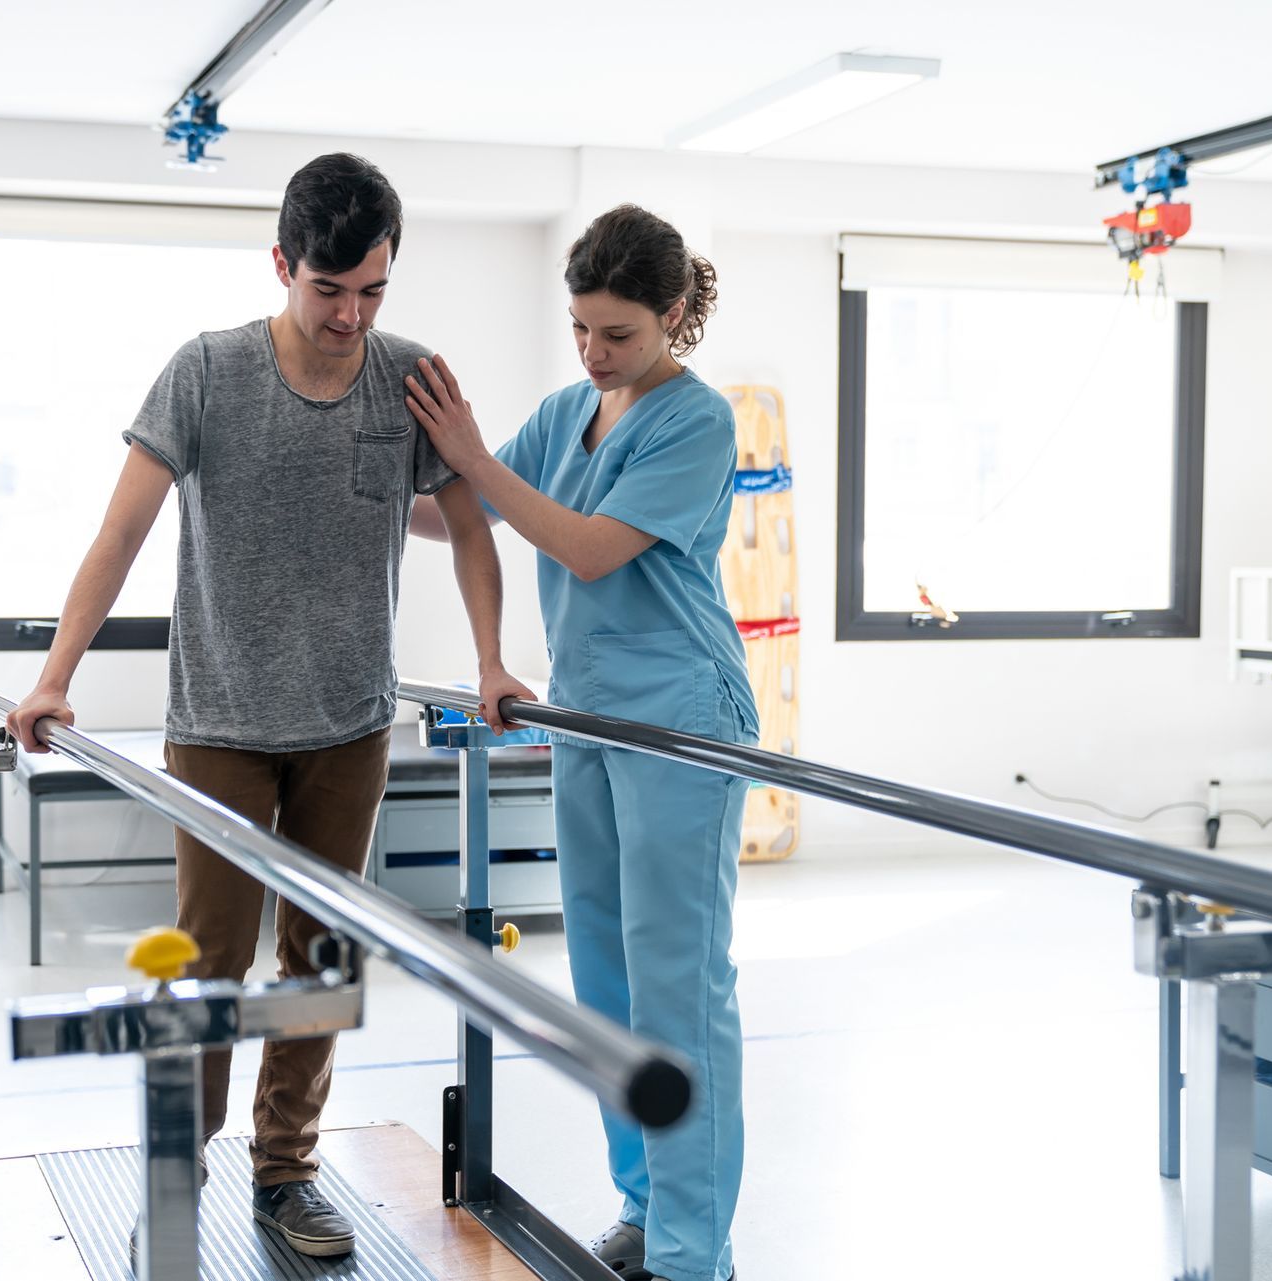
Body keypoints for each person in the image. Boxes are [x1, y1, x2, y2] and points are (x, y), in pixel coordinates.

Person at [5, 153, 533, 1259]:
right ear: (283, 264)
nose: (350, 315)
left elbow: (470, 526)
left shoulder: (407, 378)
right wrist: (58, 672)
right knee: (211, 960)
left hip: (350, 725)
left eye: (373, 291)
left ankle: (287, 1170)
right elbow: (122, 531)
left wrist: (491, 661)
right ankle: (181, 1148)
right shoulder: (205, 373)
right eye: (328, 290)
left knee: (322, 960)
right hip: (221, 726)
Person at [404, 204, 755, 1281]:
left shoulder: (697, 422)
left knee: (677, 991)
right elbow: (455, 508)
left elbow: (592, 551)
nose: (597, 355)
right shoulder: (568, 412)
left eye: (620, 336)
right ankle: (644, 1213)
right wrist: (362, 469)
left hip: (681, 722)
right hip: (588, 718)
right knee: (603, 983)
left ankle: (696, 1256)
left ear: (676, 316)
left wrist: (473, 462)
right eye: (582, 331)